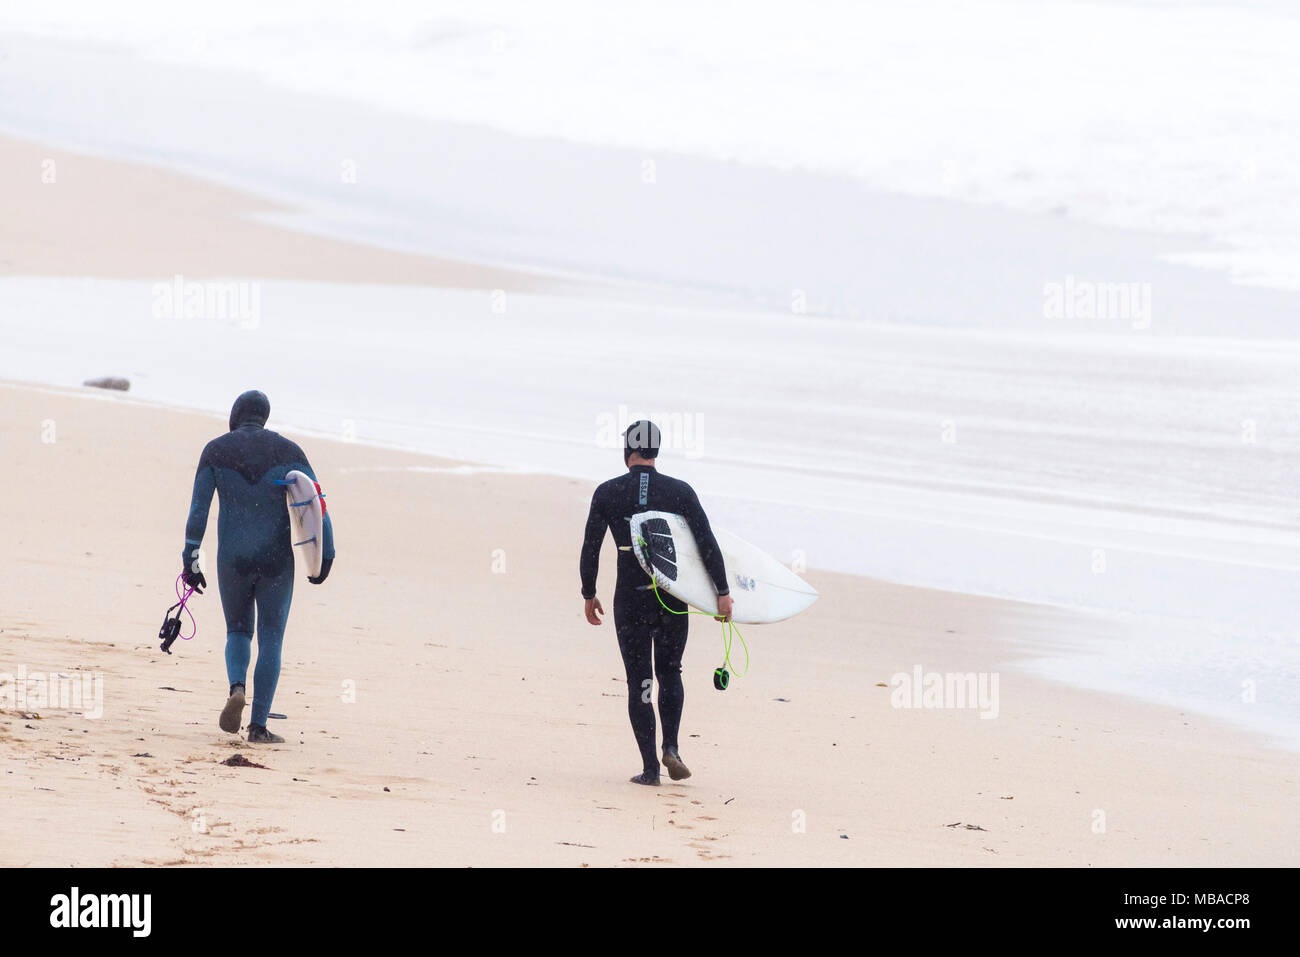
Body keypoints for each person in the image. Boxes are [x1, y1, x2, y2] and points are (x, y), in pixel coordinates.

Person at [580, 420, 733, 785]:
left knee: (640, 682)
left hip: (630, 601)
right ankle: (673, 747)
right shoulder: (679, 492)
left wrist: (589, 592)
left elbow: (591, 547)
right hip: (671, 600)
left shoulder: (607, 492)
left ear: (626, 451)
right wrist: (722, 592)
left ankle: (650, 769)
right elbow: (706, 543)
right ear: (656, 451)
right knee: (670, 673)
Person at [180, 390, 335, 743]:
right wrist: (325, 556)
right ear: (265, 417)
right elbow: (317, 504)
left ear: (235, 415)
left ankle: (237, 686)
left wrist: (191, 555)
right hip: (276, 560)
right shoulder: (289, 451)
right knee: (271, 639)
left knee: (237, 631)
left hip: (232, 558)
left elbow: (198, 512)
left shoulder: (215, 450)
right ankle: (258, 726)